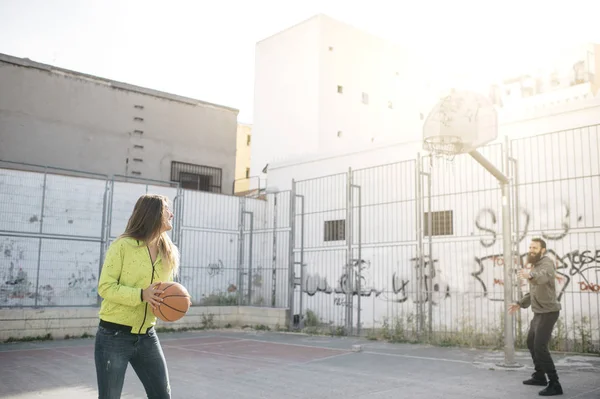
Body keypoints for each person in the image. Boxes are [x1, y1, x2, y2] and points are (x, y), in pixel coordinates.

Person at [94, 194, 179, 399]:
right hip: (114, 336)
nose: (171, 214)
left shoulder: (168, 252)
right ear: (154, 213)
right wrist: (141, 294)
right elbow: (105, 287)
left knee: (162, 395)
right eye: (167, 209)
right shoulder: (123, 246)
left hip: (147, 336)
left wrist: (176, 300)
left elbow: (163, 293)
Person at [509, 238, 563, 396]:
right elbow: (533, 291)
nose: (531, 250)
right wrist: (520, 303)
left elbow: (542, 278)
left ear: (543, 250)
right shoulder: (536, 264)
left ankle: (555, 383)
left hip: (548, 313)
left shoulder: (546, 263)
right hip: (539, 312)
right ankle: (540, 376)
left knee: (540, 346)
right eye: (530, 247)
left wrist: (529, 275)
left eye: (535, 247)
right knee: (531, 342)